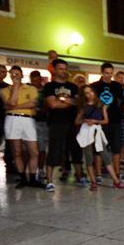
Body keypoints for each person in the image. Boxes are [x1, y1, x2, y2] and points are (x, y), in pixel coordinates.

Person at [42, 58, 84, 191]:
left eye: (65, 69)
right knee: (54, 151)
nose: (64, 71)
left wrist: (62, 99)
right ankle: (49, 181)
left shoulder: (73, 87)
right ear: (54, 70)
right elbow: (52, 104)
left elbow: (78, 103)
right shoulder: (49, 86)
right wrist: (69, 101)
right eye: (60, 69)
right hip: (56, 123)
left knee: (76, 150)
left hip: (73, 123)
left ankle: (79, 176)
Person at [76, 85, 124, 191]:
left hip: (97, 131)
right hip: (87, 132)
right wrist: (85, 121)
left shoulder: (101, 104)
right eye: (87, 93)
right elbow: (77, 121)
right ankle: (93, 182)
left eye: (91, 92)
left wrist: (95, 121)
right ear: (84, 95)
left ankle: (116, 181)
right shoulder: (83, 107)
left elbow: (106, 120)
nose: (90, 94)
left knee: (105, 155)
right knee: (89, 158)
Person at [0, 66, 40, 188]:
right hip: (12, 120)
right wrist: (16, 87)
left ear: (22, 75)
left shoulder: (31, 88)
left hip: (28, 119)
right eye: (12, 74)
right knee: (16, 151)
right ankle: (22, 178)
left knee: (34, 151)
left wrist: (12, 107)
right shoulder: (5, 90)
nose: (15, 76)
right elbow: (11, 102)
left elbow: (32, 104)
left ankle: (33, 178)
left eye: (17, 73)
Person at [91, 63, 124, 183]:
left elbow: (122, 101)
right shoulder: (94, 86)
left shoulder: (117, 86)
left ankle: (117, 172)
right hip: (100, 120)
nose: (109, 75)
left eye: (111, 73)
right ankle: (98, 173)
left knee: (116, 147)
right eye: (106, 73)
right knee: (99, 147)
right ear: (102, 72)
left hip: (115, 120)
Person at [29, 70, 49, 179]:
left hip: (42, 121)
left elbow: (48, 104)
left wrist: (43, 109)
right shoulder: (28, 89)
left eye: (36, 81)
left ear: (40, 80)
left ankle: (41, 169)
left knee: (41, 147)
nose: (34, 83)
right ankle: (30, 170)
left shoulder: (45, 91)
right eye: (32, 81)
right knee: (29, 147)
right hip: (29, 120)